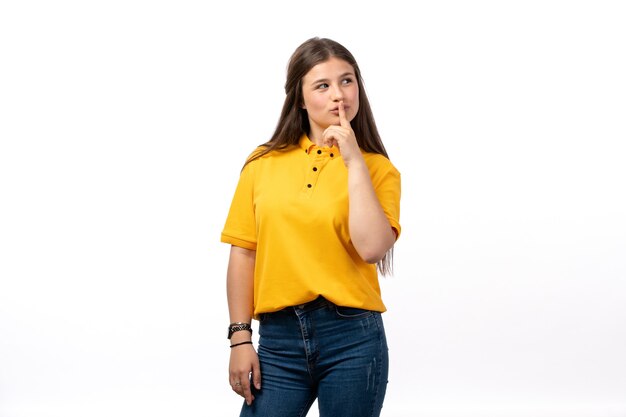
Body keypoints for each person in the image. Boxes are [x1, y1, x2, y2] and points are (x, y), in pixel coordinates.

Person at [221, 37, 401, 417]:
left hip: (353, 339)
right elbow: (243, 251)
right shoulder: (263, 163)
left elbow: (372, 248)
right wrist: (240, 338)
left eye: (347, 81)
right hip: (279, 340)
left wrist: (354, 163)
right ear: (300, 99)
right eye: (323, 85)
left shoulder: (377, 169)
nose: (339, 94)